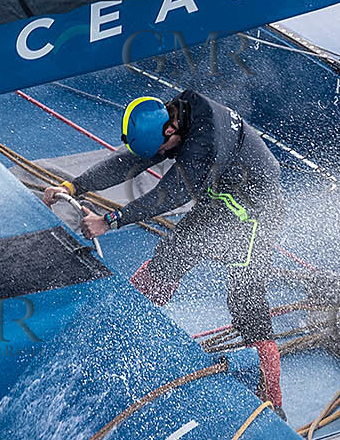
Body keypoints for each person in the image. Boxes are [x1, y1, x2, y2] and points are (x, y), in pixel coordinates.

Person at [43, 92, 285, 415]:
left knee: (244, 300)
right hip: (220, 198)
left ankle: (272, 401)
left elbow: (166, 197)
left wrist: (108, 221)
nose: (160, 156)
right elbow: (129, 162)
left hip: (255, 212)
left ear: (170, 132)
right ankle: (124, 323)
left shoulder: (203, 143)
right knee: (168, 260)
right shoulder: (172, 116)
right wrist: (73, 186)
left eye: (161, 151)